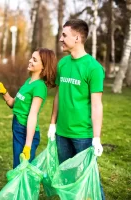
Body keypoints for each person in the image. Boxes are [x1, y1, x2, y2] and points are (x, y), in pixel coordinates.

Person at [47, 19, 105, 199]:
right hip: (62, 133)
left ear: (77, 38)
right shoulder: (63, 64)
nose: (61, 39)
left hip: (83, 135)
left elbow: (97, 104)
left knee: (88, 178)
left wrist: (96, 137)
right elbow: (58, 95)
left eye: (64, 35)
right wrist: (52, 124)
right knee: (67, 178)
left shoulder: (93, 68)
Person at [0, 48, 57, 168]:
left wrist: (28, 145)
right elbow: (14, 104)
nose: (30, 61)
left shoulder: (39, 87)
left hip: (26, 131)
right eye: (31, 58)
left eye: (34, 60)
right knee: (18, 166)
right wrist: (4, 92)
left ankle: (25, 187)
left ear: (43, 66)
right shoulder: (29, 81)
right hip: (18, 127)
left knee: (22, 169)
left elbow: (33, 115)